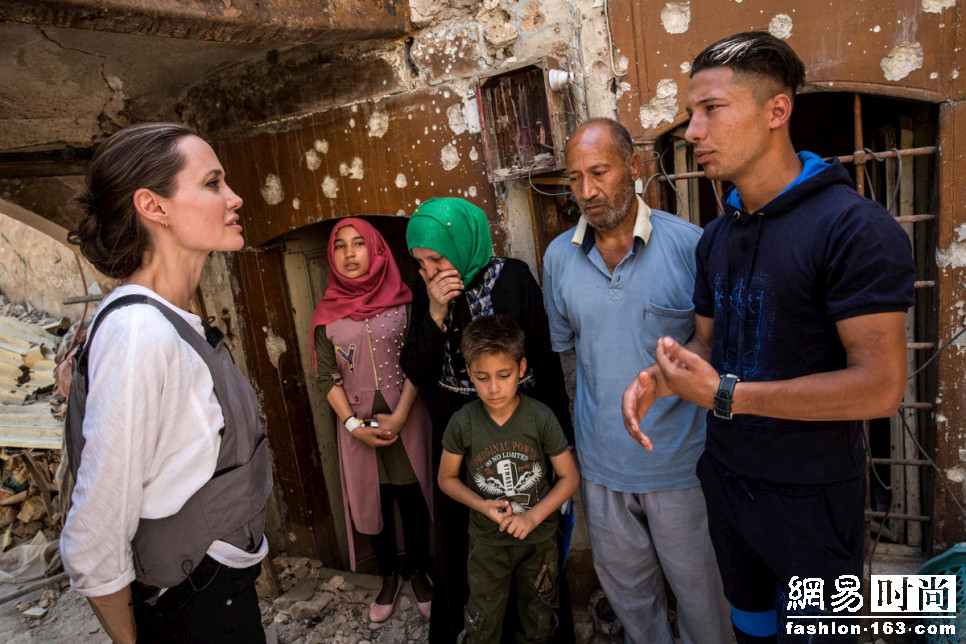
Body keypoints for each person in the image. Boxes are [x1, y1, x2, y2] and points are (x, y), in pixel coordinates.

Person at [621, 32, 916, 643]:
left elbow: (881, 387)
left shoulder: (854, 228)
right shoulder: (717, 238)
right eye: (689, 114)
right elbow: (707, 345)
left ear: (776, 111)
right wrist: (665, 376)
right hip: (729, 482)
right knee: (751, 630)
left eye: (712, 109)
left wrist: (727, 394)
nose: (693, 131)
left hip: (812, 498)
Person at [60, 122, 272, 643]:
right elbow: (95, 531)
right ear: (154, 207)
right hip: (192, 612)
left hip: (216, 593)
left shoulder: (165, 319)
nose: (234, 197)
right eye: (212, 183)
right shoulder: (141, 333)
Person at [542, 118, 730, 644]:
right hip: (602, 468)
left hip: (683, 466)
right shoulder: (559, 258)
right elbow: (570, 359)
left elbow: (713, 350)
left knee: (702, 599)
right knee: (630, 598)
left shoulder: (691, 247)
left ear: (635, 167)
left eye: (599, 172)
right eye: (574, 178)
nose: (587, 191)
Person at [400, 197, 574, 643]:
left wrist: (562, 441)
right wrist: (436, 312)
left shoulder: (512, 278)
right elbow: (417, 371)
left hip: (520, 426)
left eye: (437, 258)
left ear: (462, 243)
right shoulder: (427, 290)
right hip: (458, 427)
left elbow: (544, 360)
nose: (430, 270)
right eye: (420, 263)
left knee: (529, 534)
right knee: (466, 540)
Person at [309, 217, 433, 622]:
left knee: (413, 492)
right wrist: (352, 426)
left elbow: (418, 361)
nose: (349, 254)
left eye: (358, 244)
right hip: (357, 426)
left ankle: (418, 572)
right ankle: (388, 576)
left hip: (408, 415)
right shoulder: (326, 314)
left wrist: (399, 416)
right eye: (340, 246)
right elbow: (327, 376)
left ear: (376, 250)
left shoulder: (405, 299)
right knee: (375, 499)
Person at [438, 314, 579, 643]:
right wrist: (482, 505)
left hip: (539, 542)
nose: (494, 388)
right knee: (482, 622)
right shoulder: (464, 422)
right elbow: (446, 479)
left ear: (521, 368)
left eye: (503, 375)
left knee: (539, 620)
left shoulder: (540, 417)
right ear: (469, 372)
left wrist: (532, 517)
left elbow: (569, 478)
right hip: (487, 545)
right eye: (482, 377)